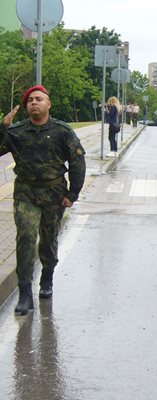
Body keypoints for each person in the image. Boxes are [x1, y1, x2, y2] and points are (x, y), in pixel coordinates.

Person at [0, 85, 86, 315]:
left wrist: (72, 194)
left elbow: (77, 162)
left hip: (53, 195)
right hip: (25, 193)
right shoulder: (16, 132)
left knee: (48, 241)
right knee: (25, 238)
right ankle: (25, 294)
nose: (34, 103)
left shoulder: (62, 131)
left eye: (39, 99)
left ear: (49, 104)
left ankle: (47, 277)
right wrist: (3, 127)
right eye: (30, 100)